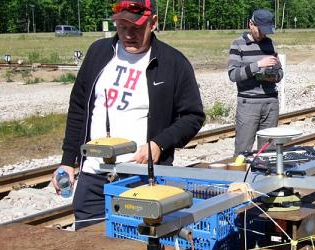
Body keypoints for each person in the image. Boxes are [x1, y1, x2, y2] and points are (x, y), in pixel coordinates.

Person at [51, 0, 205, 229]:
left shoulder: (173, 62)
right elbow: (79, 107)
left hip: (139, 178)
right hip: (93, 175)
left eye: (136, 28)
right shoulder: (98, 53)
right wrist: (66, 161)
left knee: (134, 247)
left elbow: (193, 116)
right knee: (88, 249)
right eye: (122, 27)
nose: (128, 35)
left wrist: (158, 144)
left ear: (153, 23)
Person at [228, 8, 283, 156]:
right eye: (260, 30)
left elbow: (279, 74)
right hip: (248, 104)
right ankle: (240, 178)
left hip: (271, 103)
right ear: (251, 24)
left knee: (268, 152)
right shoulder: (238, 45)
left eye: (266, 31)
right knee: (243, 151)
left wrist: (272, 76)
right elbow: (233, 74)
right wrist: (258, 65)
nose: (263, 34)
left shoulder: (270, 44)